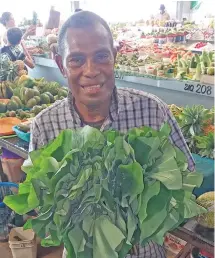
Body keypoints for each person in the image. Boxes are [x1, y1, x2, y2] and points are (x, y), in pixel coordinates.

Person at [29, 11, 195, 258]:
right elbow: (41, 203)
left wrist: (156, 221)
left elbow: (186, 180)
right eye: (76, 60)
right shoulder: (45, 125)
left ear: (114, 57)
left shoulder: (152, 111)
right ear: (61, 65)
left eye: (101, 56)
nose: (91, 70)